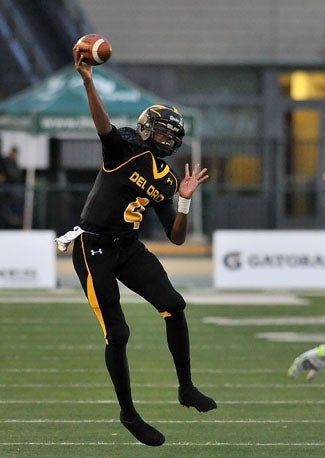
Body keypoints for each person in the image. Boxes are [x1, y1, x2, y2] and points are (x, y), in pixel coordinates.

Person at [54, 44, 217, 447]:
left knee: (174, 306)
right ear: (146, 129)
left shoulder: (165, 177)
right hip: (92, 248)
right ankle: (129, 413)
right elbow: (102, 125)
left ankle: (186, 387)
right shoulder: (123, 149)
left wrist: (184, 197)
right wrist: (89, 82)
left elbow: (176, 237)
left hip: (127, 247)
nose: (166, 138)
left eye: (171, 135)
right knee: (119, 334)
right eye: (162, 131)